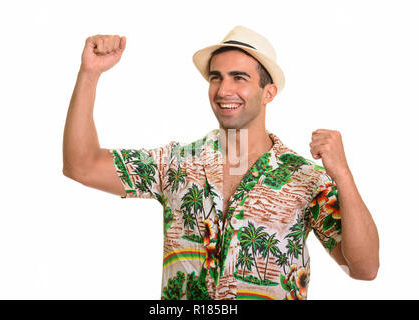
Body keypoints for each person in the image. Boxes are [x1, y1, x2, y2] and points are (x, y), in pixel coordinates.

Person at [62, 26, 379, 300]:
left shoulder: (305, 178)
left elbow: (364, 268)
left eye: (239, 78)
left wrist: (343, 175)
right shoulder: (174, 163)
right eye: (216, 78)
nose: (224, 90)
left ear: (268, 92)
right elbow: (81, 165)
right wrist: (89, 73)